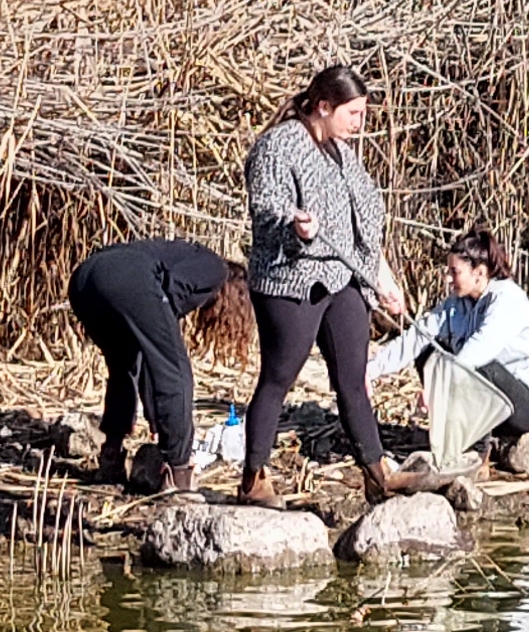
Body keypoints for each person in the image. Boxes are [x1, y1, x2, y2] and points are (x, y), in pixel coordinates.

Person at [243, 63, 407, 499]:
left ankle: (377, 474)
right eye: (352, 113)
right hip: (289, 279)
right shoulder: (278, 147)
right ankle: (254, 476)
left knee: (352, 379)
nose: (360, 124)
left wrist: (382, 276)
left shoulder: (341, 152)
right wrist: (295, 224)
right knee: (279, 377)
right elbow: (266, 206)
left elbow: (360, 225)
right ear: (323, 107)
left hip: (340, 276)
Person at [65, 233, 241, 494]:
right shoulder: (216, 268)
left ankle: (111, 458)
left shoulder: (177, 256)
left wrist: (159, 422)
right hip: (125, 278)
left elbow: (150, 351)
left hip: (85, 280)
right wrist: (171, 435)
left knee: (123, 364)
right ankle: (180, 474)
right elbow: (168, 299)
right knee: (176, 370)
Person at [378, 231, 529, 471]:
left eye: (455, 272)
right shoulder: (457, 303)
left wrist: (437, 389)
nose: (449, 279)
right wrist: (368, 371)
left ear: (480, 272)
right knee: (430, 351)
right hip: (490, 404)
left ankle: (476, 452)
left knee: (480, 367)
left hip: (527, 405)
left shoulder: (507, 300)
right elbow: (417, 336)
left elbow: (478, 352)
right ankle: (461, 436)